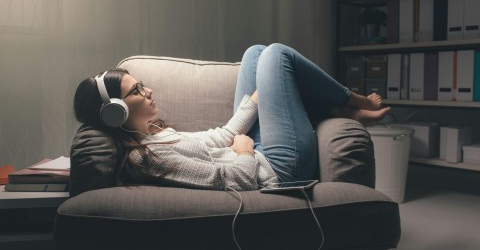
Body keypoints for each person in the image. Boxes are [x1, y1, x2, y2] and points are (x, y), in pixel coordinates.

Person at [73, 43, 390, 191]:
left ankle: (335, 109)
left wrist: (256, 100)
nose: (149, 91)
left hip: (255, 152)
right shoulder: (144, 160)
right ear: (116, 113)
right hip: (276, 173)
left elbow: (218, 137)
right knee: (277, 54)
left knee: (255, 53)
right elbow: (231, 180)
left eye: (141, 85)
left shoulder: (153, 135)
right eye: (137, 92)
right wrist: (244, 154)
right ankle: (355, 99)